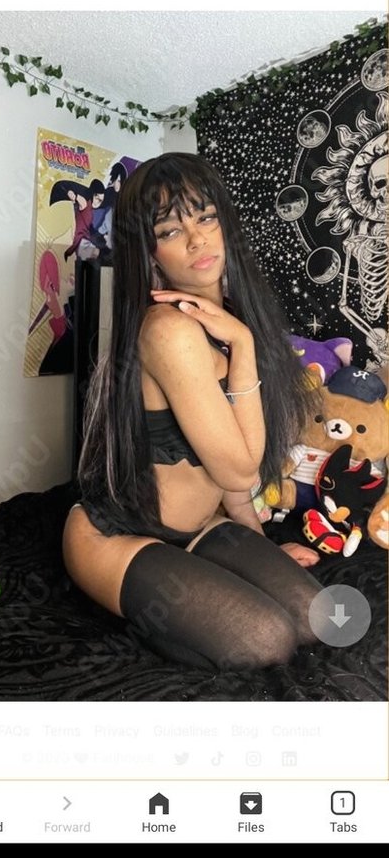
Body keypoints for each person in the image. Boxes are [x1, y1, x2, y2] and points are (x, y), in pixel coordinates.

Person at [63, 153, 324, 671]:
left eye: (206, 217)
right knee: (266, 640)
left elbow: (234, 482)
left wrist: (259, 546)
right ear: (150, 254)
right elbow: (240, 470)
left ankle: (194, 578)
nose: (197, 239)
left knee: (315, 619)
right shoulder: (171, 331)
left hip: (200, 528)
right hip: (119, 536)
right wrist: (243, 346)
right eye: (170, 230)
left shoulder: (226, 320)